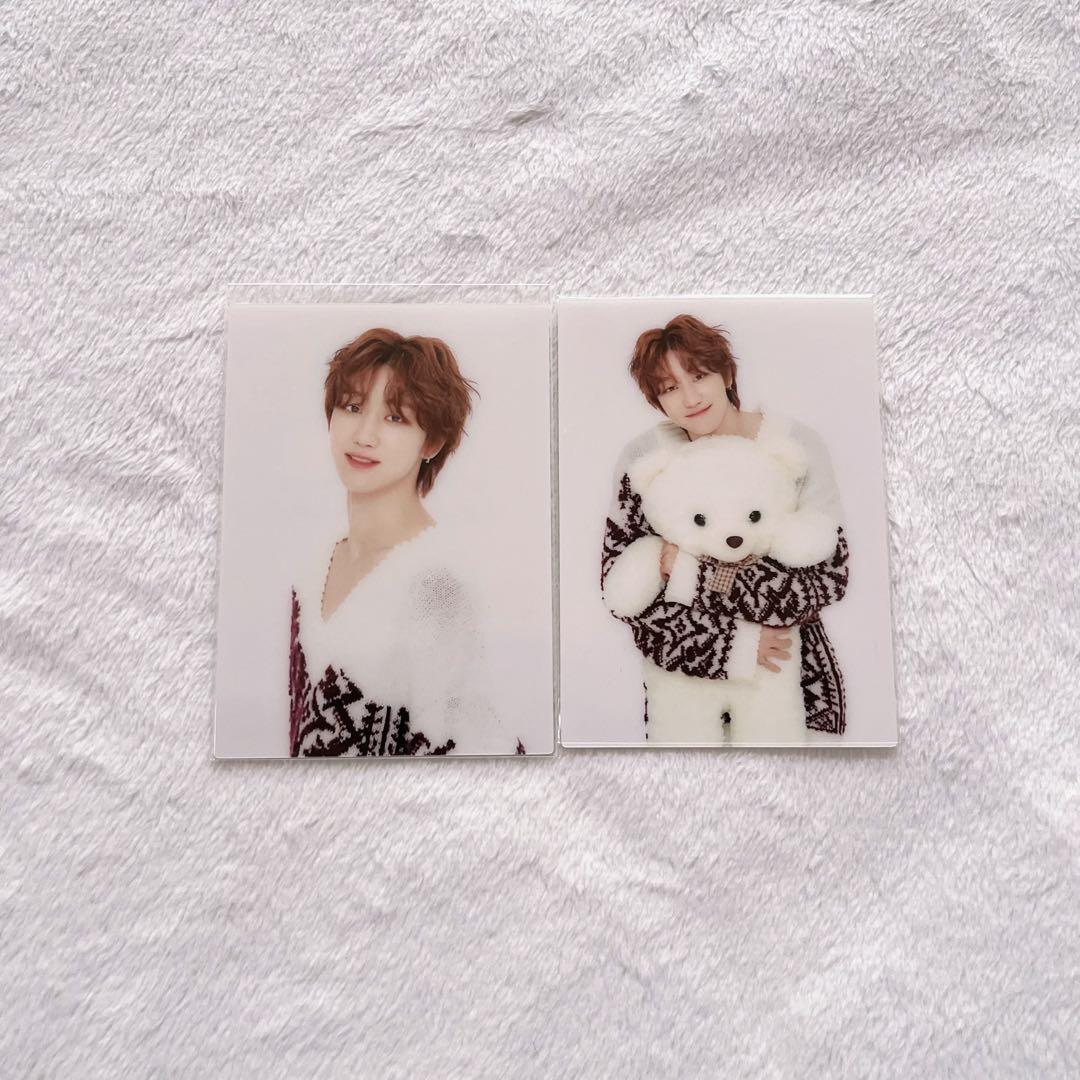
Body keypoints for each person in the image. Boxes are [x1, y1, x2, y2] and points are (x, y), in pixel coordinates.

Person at [600, 314, 851, 741]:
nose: (690, 398)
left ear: (727, 374)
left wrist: (686, 572)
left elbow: (825, 578)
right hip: (682, 686)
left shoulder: (793, 446)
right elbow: (625, 591)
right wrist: (736, 645)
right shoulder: (645, 459)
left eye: (699, 376)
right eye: (669, 388)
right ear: (656, 400)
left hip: (789, 678)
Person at [288, 327, 519, 757]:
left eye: (395, 417)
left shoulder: (438, 585)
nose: (365, 435)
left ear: (431, 441)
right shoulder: (312, 569)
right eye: (352, 407)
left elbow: (472, 754)